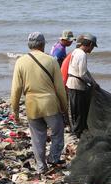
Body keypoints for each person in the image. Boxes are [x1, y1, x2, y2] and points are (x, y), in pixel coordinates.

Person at [10, 32, 69, 174]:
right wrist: (64, 107)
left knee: (37, 137)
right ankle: (54, 158)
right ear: (43, 45)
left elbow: (16, 89)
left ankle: (41, 167)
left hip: (32, 104)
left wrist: (15, 111)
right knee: (57, 132)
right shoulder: (51, 61)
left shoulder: (20, 62)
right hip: (50, 104)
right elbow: (60, 88)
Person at [66, 33, 98, 138]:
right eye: (92, 46)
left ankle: (76, 132)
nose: (92, 49)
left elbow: (85, 71)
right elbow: (82, 74)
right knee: (80, 112)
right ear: (88, 44)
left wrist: (93, 82)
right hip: (77, 86)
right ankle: (76, 134)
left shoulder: (76, 52)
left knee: (75, 111)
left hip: (72, 84)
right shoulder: (82, 54)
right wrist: (91, 83)